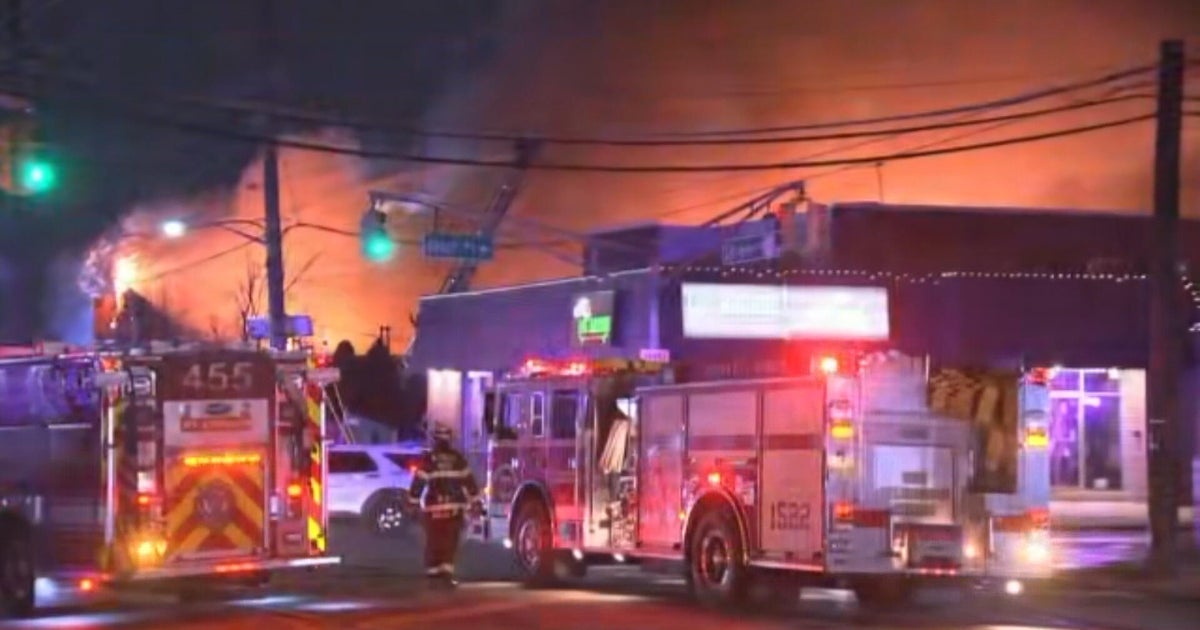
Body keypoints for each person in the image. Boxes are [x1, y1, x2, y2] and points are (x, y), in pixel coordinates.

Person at [407, 422, 482, 587]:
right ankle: (446, 576)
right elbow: (469, 482)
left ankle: (433, 575)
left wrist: (412, 503)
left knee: (434, 541)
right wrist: (476, 503)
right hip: (455, 508)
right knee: (450, 542)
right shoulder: (458, 459)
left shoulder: (430, 459)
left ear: (435, 439)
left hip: (434, 508)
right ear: (449, 439)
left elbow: (419, 482)